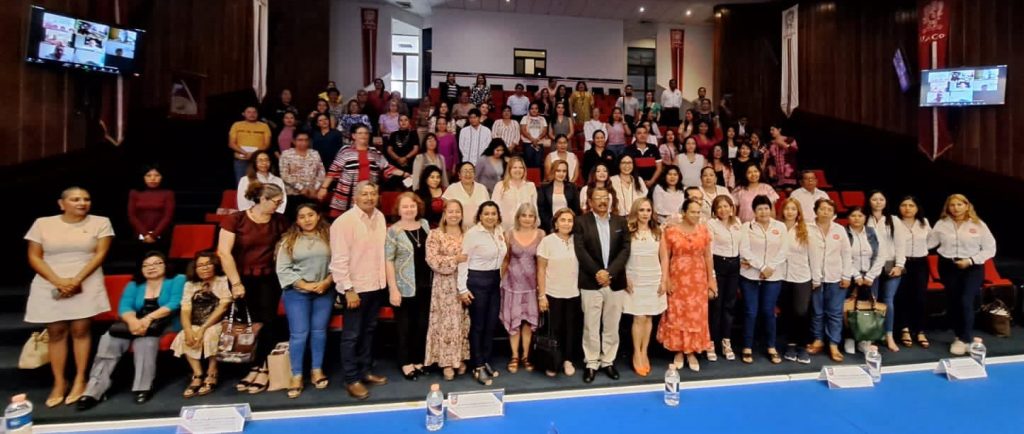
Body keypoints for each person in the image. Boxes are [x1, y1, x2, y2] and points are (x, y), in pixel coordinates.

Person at [25, 187, 114, 408]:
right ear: (61, 203)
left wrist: (76, 280)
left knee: (81, 330)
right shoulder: (42, 223)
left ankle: (80, 378)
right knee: (55, 332)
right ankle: (59, 382)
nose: (82, 203)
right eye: (75, 199)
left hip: (86, 278)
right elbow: (34, 256)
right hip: (49, 280)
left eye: (86, 199)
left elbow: (100, 254)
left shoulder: (100, 222)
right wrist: (58, 281)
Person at [76, 252, 184, 410]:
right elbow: (124, 306)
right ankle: (93, 390)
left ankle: (142, 387)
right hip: (135, 323)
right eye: (146, 265)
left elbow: (175, 303)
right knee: (109, 339)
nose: (151, 268)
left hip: (165, 323)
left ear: (166, 265)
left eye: (156, 263)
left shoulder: (178, 279)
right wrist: (134, 322)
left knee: (146, 341)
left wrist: (147, 320)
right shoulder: (135, 284)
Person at [217, 182, 289, 394]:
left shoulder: (279, 221)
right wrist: (236, 283)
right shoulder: (235, 219)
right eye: (275, 202)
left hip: (269, 278)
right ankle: (252, 366)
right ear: (262, 199)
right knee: (248, 324)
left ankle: (263, 368)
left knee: (266, 322)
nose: (278, 205)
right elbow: (223, 252)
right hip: (241, 278)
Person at [330, 181, 390, 399]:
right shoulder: (344, 222)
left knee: (369, 331)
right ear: (355, 197)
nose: (369, 197)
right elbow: (338, 261)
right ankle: (351, 378)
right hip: (355, 289)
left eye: (373, 193)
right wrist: (348, 289)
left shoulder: (380, 217)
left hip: (376, 285)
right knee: (351, 335)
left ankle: (365, 371)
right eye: (364, 194)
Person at [574, 187, 631, 383]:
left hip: (614, 281)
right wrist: (597, 272)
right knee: (590, 324)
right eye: (597, 198)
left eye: (605, 198)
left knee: (612, 324)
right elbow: (580, 250)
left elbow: (625, 249)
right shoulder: (581, 222)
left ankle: (608, 361)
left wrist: (610, 272)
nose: (602, 201)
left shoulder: (620, 221)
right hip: (591, 281)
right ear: (590, 202)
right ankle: (591, 362)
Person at [927, 194, 996, 355]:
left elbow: (990, 248)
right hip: (948, 266)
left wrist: (971, 260)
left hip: (972, 267)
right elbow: (930, 244)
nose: (956, 208)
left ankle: (965, 339)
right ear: (947, 207)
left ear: (967, 206)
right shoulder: (941, 224)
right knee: (954, 302)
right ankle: (960, 336)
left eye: (959, 204)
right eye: (952, 205)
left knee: (966, 300)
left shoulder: (978, 225)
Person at [277, 204, 333, 398]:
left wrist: (327, 281)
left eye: (311, 215)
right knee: (299, 334)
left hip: (324, 291)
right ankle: (297, 375)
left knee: (319, 332)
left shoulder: (330, 237)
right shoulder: (289, 241)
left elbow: (339, 262)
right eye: (302, 217)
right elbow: (283, 269)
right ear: (297, 220)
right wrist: (305, 285)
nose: (307, 219)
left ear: (318, 216)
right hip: (297, 293)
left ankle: (316, 370)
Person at [657, 198, 715, 371]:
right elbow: (665, 256)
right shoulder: (671, 231)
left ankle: (691, 352)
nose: (696, 215)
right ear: (683, 212)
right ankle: (679, 351)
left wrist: (711, 280)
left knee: (696, 315)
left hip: (698, 279)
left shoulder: (704, 231)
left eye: (698, 212)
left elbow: (708, 256)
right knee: (677, 314)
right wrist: (665, 278)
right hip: (677, 277)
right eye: (693, 212)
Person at [170, 251, 232, 398]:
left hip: (218, 321)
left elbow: (222, 307)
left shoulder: (222, 280)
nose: (204, 268)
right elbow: (185, 309)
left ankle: (212, 372)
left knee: (210, 334)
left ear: (215, 265)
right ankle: (197, 374)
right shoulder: (190, 285)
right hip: (196, 321)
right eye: (200, 265)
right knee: (184, 335)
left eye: (208, 264)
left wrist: (203, 328)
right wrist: (188, 329)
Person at [385, 193, 433, 381]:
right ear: (398, 209)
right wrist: (393, 289)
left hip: (425, 284)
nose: (409, 209)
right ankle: (405, 363)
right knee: (405, 327)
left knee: (421, 325)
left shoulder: (425, 225)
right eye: (405, 207)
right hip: (404, 286)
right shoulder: (393, 231)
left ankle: (418, 360)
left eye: (412, 206)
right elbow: (388, 260)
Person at [459, 201, 507, 385]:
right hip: (477, 281)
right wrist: (462, 288)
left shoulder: (499, 231)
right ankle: (477, 365)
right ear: (480, 215)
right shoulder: (472, 234)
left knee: (490, 324)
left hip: (494, 281)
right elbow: (463, 261)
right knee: (478, 325)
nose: (490, 217)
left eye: (493, 213)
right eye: (486, 213)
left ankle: (486, 360)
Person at [424, 200, 472, 380]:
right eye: (450, 211)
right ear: (444, 213)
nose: (454, 215)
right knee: (445, 323)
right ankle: (445, 362)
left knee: (461, 322)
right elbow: (432, 260)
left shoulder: (468, 234)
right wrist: (456, 259)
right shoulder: (435, 234)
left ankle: (459, 358)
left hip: (465, 284)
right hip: (444, 285)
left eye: (457, 211)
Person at [738, 195, 788, 364]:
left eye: (766, 208)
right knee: (751, 312)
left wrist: (770, 268)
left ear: (771, 209)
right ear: (754, 211)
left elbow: (784, 249)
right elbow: (744, 250)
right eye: (760, 209)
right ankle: (747, 346)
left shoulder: (780, 226)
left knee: (768, 312)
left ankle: (771, 346)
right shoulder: (746, 227)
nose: (764, 211)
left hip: (773, 276)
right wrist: (761, 267)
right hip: (750, 275)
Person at [319, 125, 410, 217]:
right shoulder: (345, 150)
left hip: (368, 193)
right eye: (360, 133)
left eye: (366, 133)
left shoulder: (374, 152)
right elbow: (333, 170)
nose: (364, 135)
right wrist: (324, 188)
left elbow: (387, 167)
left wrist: (404, 174)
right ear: (354, 136)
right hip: (347, 193)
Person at [623, 198, 665, 376]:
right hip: (635, 277)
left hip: (653, 278)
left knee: (648, 317)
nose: (645, 213)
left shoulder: (658, 231)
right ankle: (636, 353)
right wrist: (624, 277)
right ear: (635, 212)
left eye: (648, 210)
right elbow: (620, 256)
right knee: (638, 317)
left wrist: (664, 280)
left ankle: (644, 351)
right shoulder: (627, 231)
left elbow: (664, 258)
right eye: (641, 210)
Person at [537, 208, 581, 377]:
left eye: (570, 220)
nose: (566, 224)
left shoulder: (577, 241)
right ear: (556, 223)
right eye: (563, 220)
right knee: (553, 329)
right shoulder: (547, 241)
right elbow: (541, 269)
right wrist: (542, 295)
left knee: (570, 329)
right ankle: (552, 361)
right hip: (553, 293)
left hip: (573, 292)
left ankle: (567, 360)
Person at [501, 203, 544, 374]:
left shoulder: (541, 235)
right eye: (524, 215)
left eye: (531, 216)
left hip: (532, 286)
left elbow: (542, 263)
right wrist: (500, 280)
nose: (527, 219)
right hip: (512, 285)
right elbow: (505, 259)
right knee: (514, 323)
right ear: (518, 217)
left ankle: (526, 356)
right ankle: (514, 356)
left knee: (528, 322)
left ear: (535, 218)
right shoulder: (509, 234)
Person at [808, 199, 852, 362]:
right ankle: (818, 340)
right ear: (816, 210)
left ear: (834, 213)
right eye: (822, 209)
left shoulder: (839, 229)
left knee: (834, 313)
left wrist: (847, 275)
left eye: (829, 209)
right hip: (814, 277)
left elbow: (847, 254)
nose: (825, 212)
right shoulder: (807, 228)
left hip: (836, 276)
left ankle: (834, 344)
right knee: (817, 311)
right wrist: (812, 276)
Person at [865, 191, 909, 352]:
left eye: (881, 199)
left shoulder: (894, 220)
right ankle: (870, 336)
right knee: (872, 301)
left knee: (888, 301)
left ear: (885, 202)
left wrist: (899, 265)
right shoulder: (864, 218)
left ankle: (889, 335)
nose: (878, 202)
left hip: (891, 264)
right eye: (874, 199)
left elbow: (900, 244)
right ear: (869, 201)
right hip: (870, 266)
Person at [844, 207, 885, 355]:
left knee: (867, 309)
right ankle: (848, 338)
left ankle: (864, 340)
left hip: (870, 276)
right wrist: (856, 275)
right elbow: (843, 256)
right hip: (849, 275)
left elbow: (881, 255)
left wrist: (870, 276)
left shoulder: (872, 232)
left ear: (865, 218)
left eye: (860, 215)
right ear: (848, 218)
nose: (856, 218)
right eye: (853, 215)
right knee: (849, 309)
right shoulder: (843, 233)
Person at [779, 198, 813, 364]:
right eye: (787, 209)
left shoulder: (806, 230)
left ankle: (802, 346)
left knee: (801, 312)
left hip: (802, 276)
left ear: (798, 212)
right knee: (787, 312)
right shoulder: (777, 228)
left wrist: (816, 277)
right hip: (781, 276)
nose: (790, 212)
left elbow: (813, 256)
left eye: (793, 209)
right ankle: (790, 345)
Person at [707, 195, 742, 361]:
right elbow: (709, 251)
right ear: (715, 210)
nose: (723, 210)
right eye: (719, 207)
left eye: (726, 206)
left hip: (734, 266)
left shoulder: (738, 223)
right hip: (718, 264)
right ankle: (711, 342)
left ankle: (726, 341)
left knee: (729, 305)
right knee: (716, 307)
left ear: (731, 207)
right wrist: (712, 276)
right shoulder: (711, 224)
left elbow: (742, 245)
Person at [895, 196, 932, 349]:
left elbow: (932, 240)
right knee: (902, 296)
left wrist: (922, 250)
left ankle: (920, 330)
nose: (907, 208)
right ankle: (904, 329)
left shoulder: (924, 223)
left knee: (920, 297)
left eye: (911, 205)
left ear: (917, 208)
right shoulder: (894, 222)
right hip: (901, 263)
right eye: (904, 205)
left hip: (920, 263)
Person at [127, 165, 175, 253]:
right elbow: (132, 215)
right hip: (140, 234)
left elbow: (168, 216)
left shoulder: (168, 193)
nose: (153, 178)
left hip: (162, 234)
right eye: (148, 175)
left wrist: (154, 235)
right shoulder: (134, 192)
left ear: (162, 177)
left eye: (157, 175)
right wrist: (145, 234)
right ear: (143, 177)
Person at [279, 131, 325, 217]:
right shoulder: (286, 154)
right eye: (300, 140)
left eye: (306, 140)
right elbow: (284, 175)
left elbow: (321, 172)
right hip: (294, 195)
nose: (303, 142)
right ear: (294, 141)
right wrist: (301, 188)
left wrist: (315, 188)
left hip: (312, 195)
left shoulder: (314, 153)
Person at [491, 156, 538, 231]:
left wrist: (535, 226)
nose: (518, 170)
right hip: (504, 229)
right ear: (509, 170)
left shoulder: (530, 186)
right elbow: (493, 209)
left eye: (521, 167)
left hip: (525, 229)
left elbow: (534, 208)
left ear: (524, 169)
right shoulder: (500, 186)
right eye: (514, 167)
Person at [229, 106, 272, 181]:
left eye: (254, 112)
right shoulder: (236, 125)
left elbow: (266, 145)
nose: (252, 114)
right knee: (241, 183)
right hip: (241, 159)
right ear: (243, 114)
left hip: (258, 160)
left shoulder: (264, 126)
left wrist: (253, 154)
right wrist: (246, 153)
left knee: (259, 183)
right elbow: (231, 144)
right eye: (249, 112)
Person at [443, 162, 491, 229]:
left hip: (480, 229)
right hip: (459, 229)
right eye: (465, 171)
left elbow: (488, 209)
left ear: (474, 174)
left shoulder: (482, 188)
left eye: (471, 171)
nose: (468, 174)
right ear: (459, 175)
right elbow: (445, 212)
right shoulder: (452, 188)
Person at [537, 160, 581, 232]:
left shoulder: (572, 187)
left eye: (564, 171)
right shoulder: (544, 187)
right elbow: (542, 210)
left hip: (569, 226)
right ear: (553, 171)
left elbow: (576, 210)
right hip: (549, 227)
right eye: (558, 171)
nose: (561, 174)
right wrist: (552, 226)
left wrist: (569, 224)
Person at [520, 103, 550, 169]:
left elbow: (544, 131)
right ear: (529, 110)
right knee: (528, 163)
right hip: (528, 143)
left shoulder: (542, 119)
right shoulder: (525, 118)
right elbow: (523, 130)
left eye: (536, 108)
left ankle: (536, 178)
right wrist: (532, 139)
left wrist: (537, 139)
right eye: (532, 108)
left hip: (539, 143)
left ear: (538, 110)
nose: (534, 110)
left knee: (538, 163)